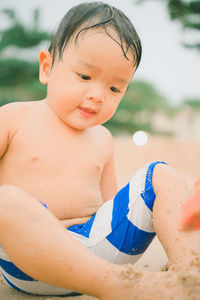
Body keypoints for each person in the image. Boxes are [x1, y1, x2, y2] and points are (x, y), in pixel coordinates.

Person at [0, 2, 199, 299]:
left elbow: (112, 205)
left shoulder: (103, 139)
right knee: (6, 200)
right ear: (46, 67)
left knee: (161, 173)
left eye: (115, 89)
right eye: (84, 76)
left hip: (100, 251)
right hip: (28, 258)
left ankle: (190, 273)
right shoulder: (14, 117)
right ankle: (116, 284)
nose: (97, 95)